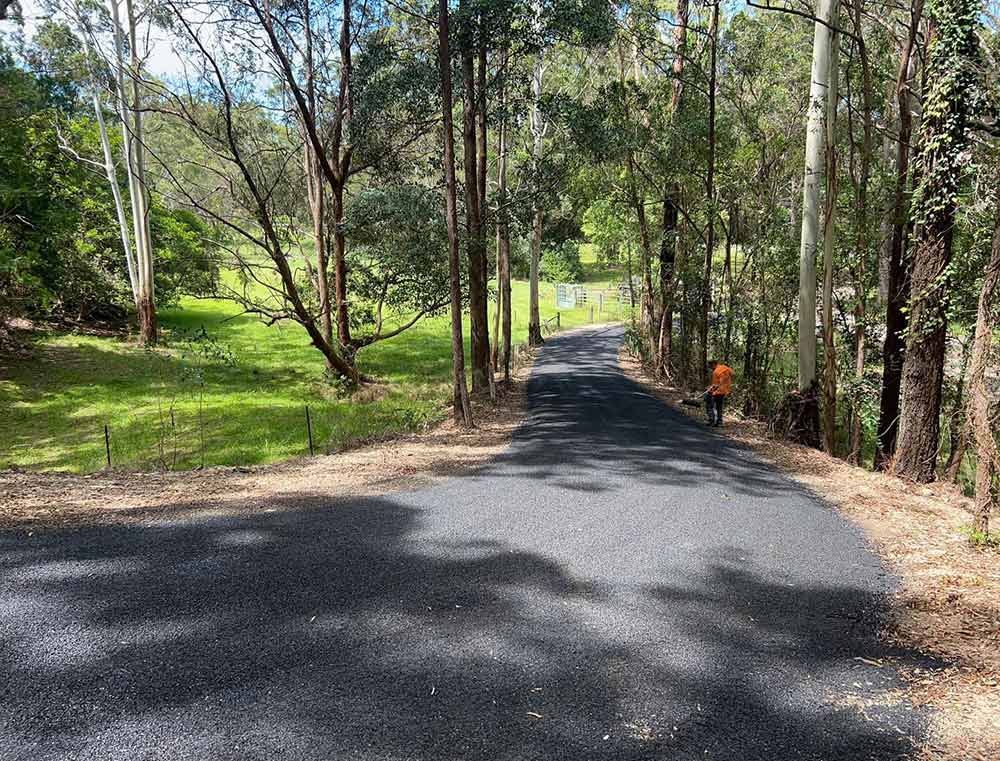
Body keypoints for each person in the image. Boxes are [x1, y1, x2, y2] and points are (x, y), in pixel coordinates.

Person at [704, 359, 734, 427]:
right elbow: (733, 373)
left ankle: (711, 420)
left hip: (716, 392)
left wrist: (710, 389)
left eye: (710, 366)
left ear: (713, 364)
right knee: (719, 407)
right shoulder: (725, 367)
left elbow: (715, 385)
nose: (711, 368)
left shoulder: (716, 372)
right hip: (724, 391)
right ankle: (719, 422)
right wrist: (727, 382)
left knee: (709, 405)